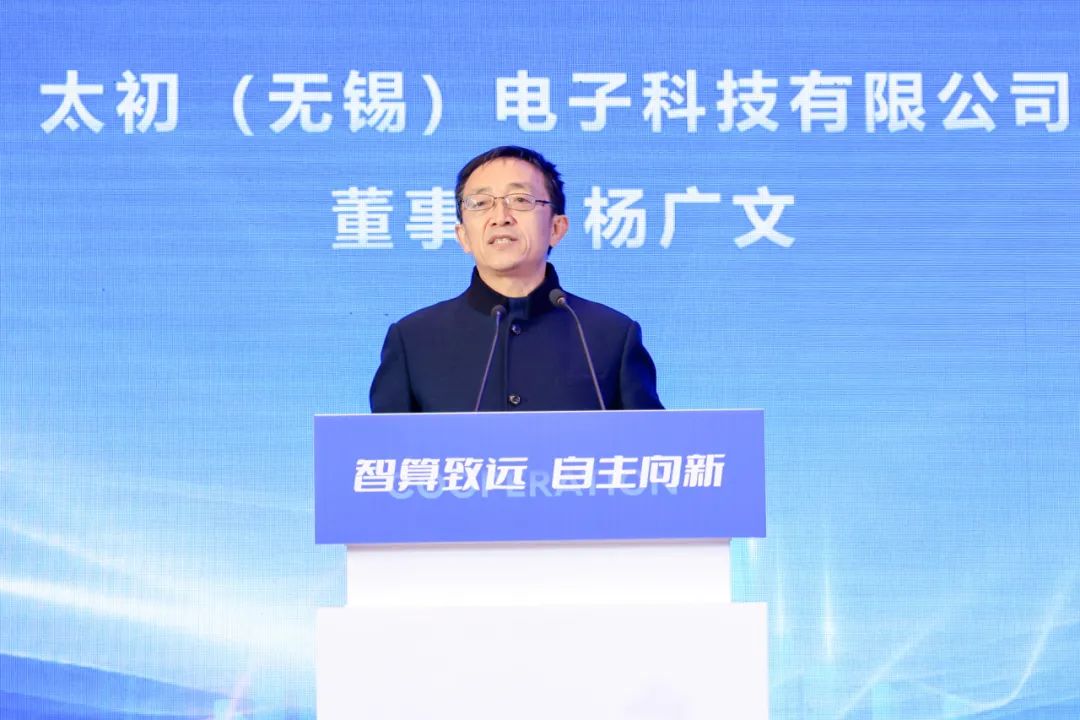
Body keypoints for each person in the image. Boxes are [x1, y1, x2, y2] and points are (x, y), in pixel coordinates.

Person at [369, 146, 663, 413]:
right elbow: (380, 449)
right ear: (463, 235)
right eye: (480, 203)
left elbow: (654, 446)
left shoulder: (610, 335)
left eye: (520, 200)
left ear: (557, 228)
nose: (501, 217)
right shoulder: (413, 339)